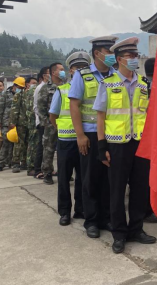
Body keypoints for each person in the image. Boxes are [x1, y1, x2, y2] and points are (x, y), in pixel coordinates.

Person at [94, 37, 156, 254]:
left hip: (141, 143)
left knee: (140, 188)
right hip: (117, 144)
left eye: (136, 55)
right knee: (117, 190)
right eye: (130, 56)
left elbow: (148, 114)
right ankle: (119, 233)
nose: (134, 59)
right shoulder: (107, 83)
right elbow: (100, 117)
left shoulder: (144, 84)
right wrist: (102, 146)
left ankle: (136, 229)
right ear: (119, 59)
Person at [68, 36, 116, 239]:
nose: (113, 55)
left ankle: (106, 217)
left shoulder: (116, 75)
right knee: (90, 177)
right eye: (109, 51)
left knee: (109, 178)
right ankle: (92, 220)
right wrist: (80, 135)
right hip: (89, 134)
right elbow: (74, 105)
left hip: (111, 134)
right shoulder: (83, 75)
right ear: (97, 53)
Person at [50, 52, 91, 226]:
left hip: (86, 140)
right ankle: (65, 212)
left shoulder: (92, 89)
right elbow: (53, 115)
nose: (80, 70)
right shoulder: (62, 90)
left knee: (83, 178)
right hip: (66, 141)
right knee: (64, 178)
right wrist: (61, 129)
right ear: (70, 70)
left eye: (83, 67)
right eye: (76, 67)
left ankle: (81, 209)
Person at [38, 63, 65, 185]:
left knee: (64, 149)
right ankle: (47, 173)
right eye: (61, 69)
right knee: (48, 149)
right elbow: (41, 107)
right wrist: (46, 123)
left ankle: (64, 172)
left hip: (65, 123)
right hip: (50, 123)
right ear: (53, 72)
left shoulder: (67, 85)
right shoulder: (45, 88)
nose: (63, 71)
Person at [142, 57, 157, 224]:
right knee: (147, 174)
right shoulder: (149, 86)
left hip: (146, 134)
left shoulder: (143, 84)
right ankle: (147, 208)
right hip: (148, 134)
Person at [0, 78, 23, 171]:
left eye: (22, 88)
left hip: (19, 123)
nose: (20, 89)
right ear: (14, 85)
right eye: (19, 87)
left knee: (16, 144)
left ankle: (13, 162)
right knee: (6, 143)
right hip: (6, 123)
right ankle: (0, 163)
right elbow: (0, 108)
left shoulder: (22, 95)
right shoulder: (5, 95)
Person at [32, 67, 50, 179]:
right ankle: (37, 170)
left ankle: (48, 169)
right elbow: (36, 106)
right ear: (44, 75)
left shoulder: (51, 87)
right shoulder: (40, 88)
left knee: (49, 147)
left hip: (51, 121)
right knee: (42, 146)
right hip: (43, 122)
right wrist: (42, 121)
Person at [9, 77, 28, 172]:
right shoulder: (18, 95)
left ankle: (24, 162)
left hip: (27, 123)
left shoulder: (27, 94)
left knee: (26, 143)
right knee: (19, 143)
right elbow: (14, 109)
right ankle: (16, 163)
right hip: (21, 123)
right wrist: (13, 122)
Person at [24, 77, 39, 176]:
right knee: (33, 144)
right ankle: (30, 167)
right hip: (34, 122)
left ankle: (38, 166)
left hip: (39, 121)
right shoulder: (32, 91)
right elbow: (31, 109)